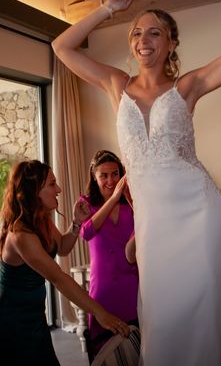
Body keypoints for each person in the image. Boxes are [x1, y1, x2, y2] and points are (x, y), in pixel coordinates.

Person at [52, 0, 221, 365]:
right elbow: (61, 48)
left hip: (197, 211)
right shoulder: (116, 85)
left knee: (202, 307)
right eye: (136, 33)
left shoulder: (187, 87)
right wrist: (107, 10)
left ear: (171, 44)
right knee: (164, 314)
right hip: (154, 222)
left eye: (155, 32)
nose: (143, 39)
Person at [0, 159, 130, 366]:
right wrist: (100, 313)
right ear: (34, 190)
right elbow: (58, 278)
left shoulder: (42, 219)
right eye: (52, 184)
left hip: (34, 316)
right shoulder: (21, 235)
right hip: (10, 321)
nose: (59, 189)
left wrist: (76, 223)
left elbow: (62, 247)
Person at [79, 150, 139, 361]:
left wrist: (127, 198)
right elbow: (86, 232)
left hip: (131, 286)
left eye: (115, 174)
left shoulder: (130, 205)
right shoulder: (87, 203)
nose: (110, 180)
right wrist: (113, 199)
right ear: (94, 178)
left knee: (135, 348)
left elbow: (144, 226)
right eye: (103, 175)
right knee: (105, 354)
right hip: (103, 291)